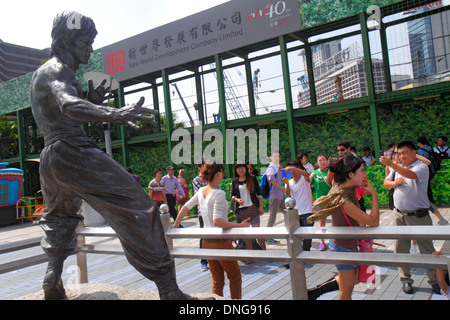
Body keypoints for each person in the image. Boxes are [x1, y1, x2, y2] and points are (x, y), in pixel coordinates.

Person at [29, 11, 190, 300]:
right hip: (72, 151)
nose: (90, 49)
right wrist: (112, 113)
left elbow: (60, 108)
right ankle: (168, 289)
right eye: (86, 41)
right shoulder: (59, 70)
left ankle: (52, 278)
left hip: (50, 159)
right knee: (141, 208)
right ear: (68, 39)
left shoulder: (41, 75)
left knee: (61, 217)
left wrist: (89, 102)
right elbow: (67, 105)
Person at [307, 153, 380, 300]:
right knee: (346, 291)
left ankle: (317, 291)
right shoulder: (345, 201)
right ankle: (317, 291)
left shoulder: (339, 186)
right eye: (361, 171)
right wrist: (373, 194)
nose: (363, 175)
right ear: (351, 174)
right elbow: (374, 221)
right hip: (344, 246)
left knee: (353, 280)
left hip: (342, 243)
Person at [174, 161, 251, 299]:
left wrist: (175, 227)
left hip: (207, 243)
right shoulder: (218, 194)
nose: (223, 174)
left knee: (217, 281)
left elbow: (185, 207)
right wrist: (240, 226)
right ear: (218, 173)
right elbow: (218, 221)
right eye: (222, 171)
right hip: (222, 243)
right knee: (235, 277)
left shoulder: (201, 191)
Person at [380, 140, 440, 295]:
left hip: (419, 216)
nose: (401, 156)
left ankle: (435, 280)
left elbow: (411, 175)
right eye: (399, 154)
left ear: (414, 153)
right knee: (401, 249)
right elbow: (385, 183)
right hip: (399, 215)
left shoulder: (421, 167)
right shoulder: (397, 168)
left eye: (404, 153)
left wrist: (392, 165)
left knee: (427, 249)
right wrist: (394, 182)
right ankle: (405, 280)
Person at [231, 163, 266, 255]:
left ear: (246, 169)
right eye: (238, 168)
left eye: (242, 168)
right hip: (241, 210)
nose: (240, 170)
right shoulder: (235, 181)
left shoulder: (252, 178)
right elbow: (232, 196)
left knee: (257, 232)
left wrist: (261, 207)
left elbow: (259, 194)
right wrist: (237, 199)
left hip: (252, 207)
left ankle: (265, 253)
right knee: (246, 235)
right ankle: (250, 255)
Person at [283, 160, 313, 251]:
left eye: (294, 168)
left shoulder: (304, 179)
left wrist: (292, 168)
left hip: (308, 211)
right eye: (290, 170)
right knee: (295, 236)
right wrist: (287, 183)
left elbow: (306, 174)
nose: (292, 171)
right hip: (295, 213)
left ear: (298, 168)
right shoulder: (289, 182)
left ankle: (306, 256)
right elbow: (287, 194)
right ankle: (296, 256)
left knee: (307, 236)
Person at [310, 154, 332, 251]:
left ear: (327, 161)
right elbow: (308, 186)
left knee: (336, 221)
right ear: (317, 163)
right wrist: (311, 178)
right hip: (321, 201)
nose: (322, 162)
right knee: (322, 222)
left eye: (324, 160)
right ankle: (322, 242)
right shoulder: (314, 173)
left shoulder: (331, 171)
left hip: (332, 199)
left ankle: (335, 240)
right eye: (320, 160)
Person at [265, 150, 286, 243]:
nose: (276, 158)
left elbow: (284, 177)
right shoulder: (271, 168)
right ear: (271, 157)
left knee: (288, 214)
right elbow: (274, 183)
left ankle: (292, 232)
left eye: (278, 156)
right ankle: (267, 236)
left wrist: (284, 170)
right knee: (272, 216)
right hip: (274, 196)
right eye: (274, 156)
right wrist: (284, 190)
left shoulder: (278, 167)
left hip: (281, 196)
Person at [192, 160, 209, 271]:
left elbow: (218, 190)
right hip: (202, 212)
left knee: (215, 235)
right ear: (199, 167)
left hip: (214, 212)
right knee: (203, 235)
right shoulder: (196, 180)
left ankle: (215, 259)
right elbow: (200, 195)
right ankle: (204, 260)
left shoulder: (211, 177)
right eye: (204, 166)